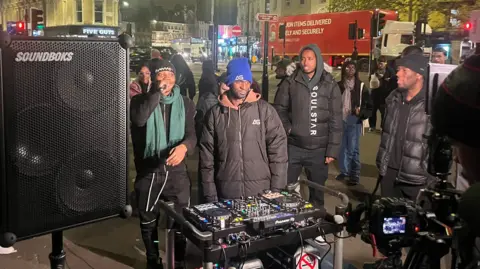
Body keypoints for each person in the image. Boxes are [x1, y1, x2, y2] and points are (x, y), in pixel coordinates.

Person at [130, 60, 196, 269]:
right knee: (149, 220)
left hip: (176, 173)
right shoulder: (140, 100)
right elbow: (139, 120)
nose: (167, 78)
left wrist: (185, 147)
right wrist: (156, 94)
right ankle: (153, 258)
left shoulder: (185, 103)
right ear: (153, 77)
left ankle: (178, 259)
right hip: (149, 171)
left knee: (181, 220)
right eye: (162, 74)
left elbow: (192, 135)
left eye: (170, 74)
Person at [199, 58, 288, 202]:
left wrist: (276, 189)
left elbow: (279, 153)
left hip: (261, 192)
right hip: (227, 192)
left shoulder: (265, 110)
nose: (244, 86)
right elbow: (206, 160)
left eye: (247, 81)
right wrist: (210, 195)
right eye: (239, 81)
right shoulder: (215, 114)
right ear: (229, 82)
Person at [274, 44, 343, 208]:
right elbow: (279, 110)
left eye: (310, 59)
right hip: (294, 147)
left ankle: (316, 225)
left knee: (317, 194)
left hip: (319, 151)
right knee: (286, 190)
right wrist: (288, 129)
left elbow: (336, 119)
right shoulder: (290, 82)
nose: (305, 62)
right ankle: (290, 223)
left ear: (317, 60)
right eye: (303, 58)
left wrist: (332, 150)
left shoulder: (330, 84)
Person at [376, 52, 430, 200]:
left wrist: (429, 176)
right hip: (388, 174)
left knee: (415, 222)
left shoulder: (432, 104)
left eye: (404, 70)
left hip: (416, 180)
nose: (398, 73)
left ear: (419, 75)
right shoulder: (393, 98)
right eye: (398, 69)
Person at [336, 61, 373, 185]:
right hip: (340, 120)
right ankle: (344, 171)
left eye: (353, 67)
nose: (350, 69)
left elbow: (370, 107)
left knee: (353, 148)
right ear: (344, 70)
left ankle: (354, 174)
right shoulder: (339, 85)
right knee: (342, 148)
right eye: (348, 67)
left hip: (353, 119)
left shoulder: (361, 86)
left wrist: (360, 112)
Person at [368, 56, 395, 132]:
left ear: (385, 63)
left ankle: (382, 127)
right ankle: (372, 126)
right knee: (373, 111)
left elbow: (394, 81)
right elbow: (370, 78)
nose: (380, 65)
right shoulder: (374, 70)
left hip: (385, 94)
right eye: (379, 63)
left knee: (383, 112)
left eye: (381, 63)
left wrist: (387, 80)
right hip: (374, 93)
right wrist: (373, 79)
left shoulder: (390, 71)